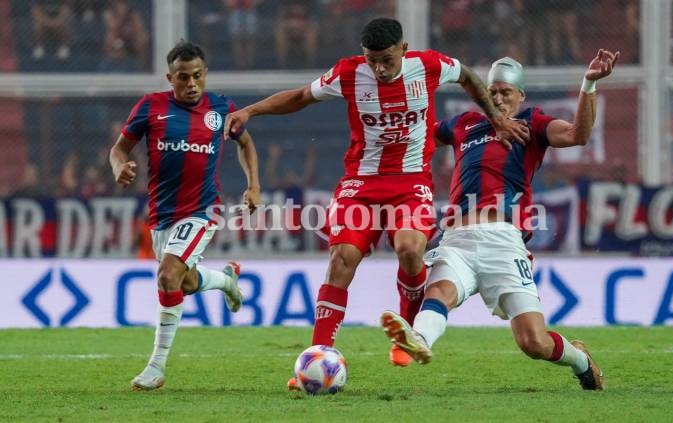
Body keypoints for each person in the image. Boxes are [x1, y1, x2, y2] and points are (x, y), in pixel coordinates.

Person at [224, 17, 529, 384]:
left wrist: (495, 117)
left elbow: (467, 76)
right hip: (361, 183)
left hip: (411, 181)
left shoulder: (429, 65)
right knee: (342, 259)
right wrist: (250, 111)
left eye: (387, 59)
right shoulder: (349, 73)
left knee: (410, 250)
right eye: (372, 60)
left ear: (403, 49)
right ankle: (316, 356)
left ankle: (408, 336)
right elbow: (302, 96)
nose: (380, 69)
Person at [380, 49, 620, 390]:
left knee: (532, 342)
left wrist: (589, 84)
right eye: (491, 92)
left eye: (505, 92)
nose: (497, 97)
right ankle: (420, 340)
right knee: (440, 292)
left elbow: (577, 135)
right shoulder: (464, 123)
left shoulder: (532, 124)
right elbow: (415, 137)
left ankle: (580, 359)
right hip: (456, 239)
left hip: (503, 242)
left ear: (520, 96)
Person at [109, 40, 262, 391]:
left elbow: (246, 144)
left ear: (205, 74)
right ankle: (225, 280)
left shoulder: (221, 108)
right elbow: (119, 148)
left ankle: (156, 366)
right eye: (183, 77)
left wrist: (254, 185)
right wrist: (120, 166)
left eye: (197, 76)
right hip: (161, 215)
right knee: (186, 283)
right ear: (170, 78)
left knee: (167, 274)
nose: (191, 83)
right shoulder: (151, 106)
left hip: (201, 211)